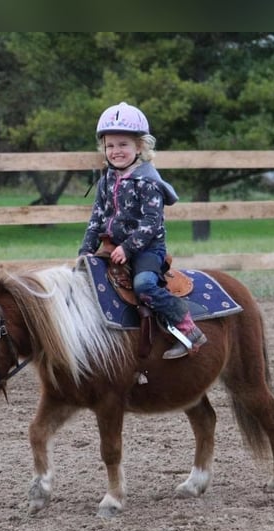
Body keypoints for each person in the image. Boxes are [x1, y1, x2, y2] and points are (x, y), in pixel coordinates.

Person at [78, 102, 207, 359]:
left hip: (147, 247)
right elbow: (97, 218)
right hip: (113, 247)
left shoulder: (148, 181)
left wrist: (128, 247)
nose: (116, 151)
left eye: (123, 145)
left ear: (140, 146)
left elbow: (151, 223)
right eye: (110, 145)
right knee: (83, 280)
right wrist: (85, 252)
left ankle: (187, 328)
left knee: (144, 285)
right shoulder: (106, 180)